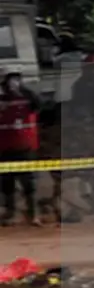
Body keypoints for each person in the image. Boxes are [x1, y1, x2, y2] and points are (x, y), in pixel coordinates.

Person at [0, 74, 36, 226]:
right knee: (7, 183)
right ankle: (10, 212)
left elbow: (39, 103)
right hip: (4, 149)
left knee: (29, 182)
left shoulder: (28, 100)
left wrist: (23, 89)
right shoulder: (1, 101)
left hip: (25, 148)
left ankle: (32, 214)